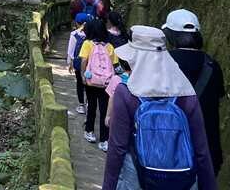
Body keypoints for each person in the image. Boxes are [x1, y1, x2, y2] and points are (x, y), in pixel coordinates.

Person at [103, 25, 217, 190]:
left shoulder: (126, 93)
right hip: (181, 181)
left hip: (136, 180)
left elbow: (117, 148)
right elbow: (201, 152)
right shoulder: (186, 93)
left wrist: (108, 186)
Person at [164, 9, 225, 178]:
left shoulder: (162, 62)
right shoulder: (213, 66)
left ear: (170, 35)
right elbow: (216, 98)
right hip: (205, 150)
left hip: (167, 149)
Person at [79, 18, 118, 151]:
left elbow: (84, 60)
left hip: (91, 81)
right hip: (106, 83)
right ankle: (104, 140)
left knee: (91, 105)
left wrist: (83, 75)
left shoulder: (87, 44)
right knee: (104, 110)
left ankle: (89, 131)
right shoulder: (109, 47)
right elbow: (115, 65)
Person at [67, 12, 91, 114]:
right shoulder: (90, 34)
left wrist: (69, 63)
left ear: (77, 23)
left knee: (80, 83)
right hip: (90, 63)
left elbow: (70, 51)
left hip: (78, 62)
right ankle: (89, 103)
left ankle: (81, 105)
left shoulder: (74, 34)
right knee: (89, 83)